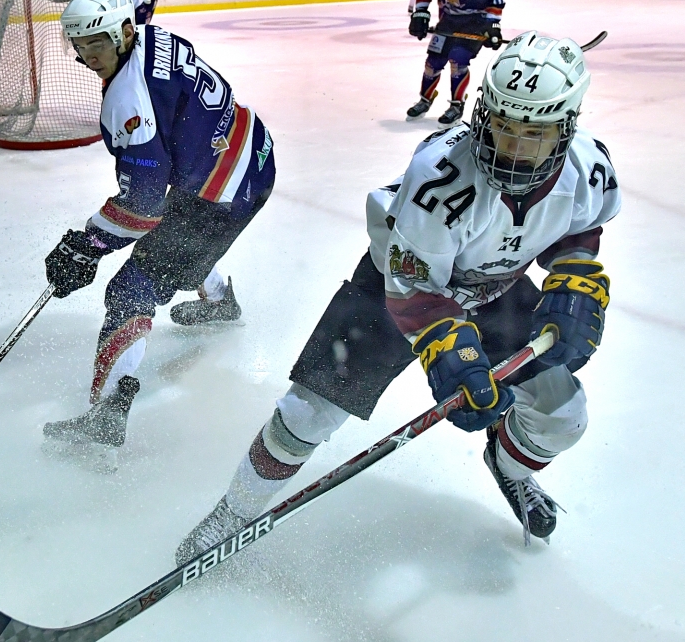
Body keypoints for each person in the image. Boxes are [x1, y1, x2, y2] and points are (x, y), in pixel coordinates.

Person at [176, 31, 620, 563]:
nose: (511, 148)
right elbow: (414, 290)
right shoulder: (440, 178)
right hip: (396, 285)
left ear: (566, 128)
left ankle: (510, 468)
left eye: (533, 134)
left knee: (561, 413)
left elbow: (577, 227)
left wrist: (574, 275)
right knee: (306, 414)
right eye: (502, 125)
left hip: (492, 287)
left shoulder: (589, 167)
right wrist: (450, 352)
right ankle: (233, 513)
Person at [43, 0, 277, 454]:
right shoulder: (154, 36)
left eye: (98, 42)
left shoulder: (127, 100)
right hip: (249, 151)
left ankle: (106, 418)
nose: (89, 55)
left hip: (222, 192)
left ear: (124, 33)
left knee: (132, 288)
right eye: (81, 44)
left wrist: (88, 246)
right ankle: (221, 302)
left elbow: (143, 205)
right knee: (179, 238)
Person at [406, 0, 504, 125]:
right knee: (433, 62)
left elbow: (495, 2)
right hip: (449, 19)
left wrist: (493, 26)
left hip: (476, 21)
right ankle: (425, 100)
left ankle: (457, 105)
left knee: (458, 61)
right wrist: (420, 14)